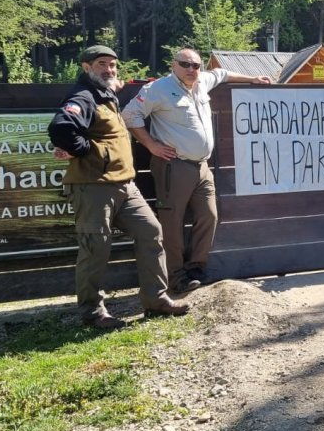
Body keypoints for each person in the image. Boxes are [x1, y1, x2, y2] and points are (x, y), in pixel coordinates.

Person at [48, 45, 189, 329]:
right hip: (93, 187)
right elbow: (61, 128)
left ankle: (156, 299)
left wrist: (115, 86)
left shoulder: (106, 94)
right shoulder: (83, 96)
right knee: (95, 248)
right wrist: (85, 149)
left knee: (151, 231)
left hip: (125, 184)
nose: (110, 70)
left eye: (113, 65)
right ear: (86, 67)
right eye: (102, 64)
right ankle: (92, 313)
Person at [122, 48, 272, 293]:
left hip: (202, 166)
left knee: (209, 216)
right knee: (172, 223)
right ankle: (176, 276)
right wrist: (151, 145)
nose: (191, 69)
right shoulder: (157, 89)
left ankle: (196, 269)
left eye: (196, 65)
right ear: (174, 64)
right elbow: (129, 115)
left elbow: (222, 74)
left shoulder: (202, 81)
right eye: (185, 64)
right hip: (173, 165)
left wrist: (252, 79)